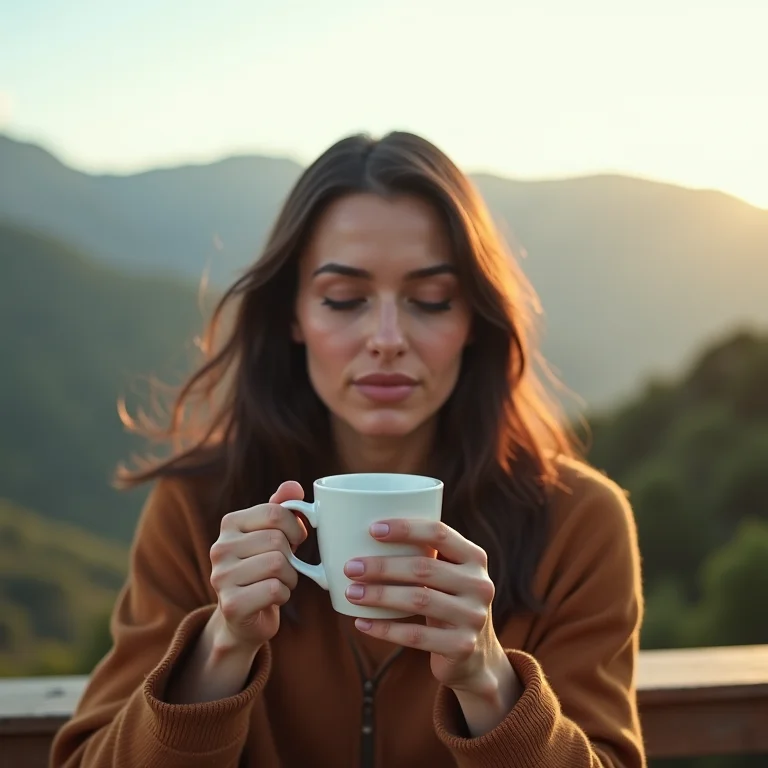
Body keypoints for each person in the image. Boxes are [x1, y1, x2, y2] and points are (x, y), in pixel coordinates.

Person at [51, 131, 645, 768]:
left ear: (473, 318)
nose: (387, 338)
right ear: (293, 315)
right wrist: (219, 649)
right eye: (343, 299)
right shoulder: (199, 511)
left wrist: (489, 681)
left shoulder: (577, 521)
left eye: (431, 300)